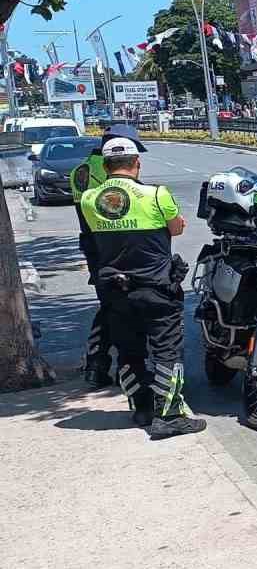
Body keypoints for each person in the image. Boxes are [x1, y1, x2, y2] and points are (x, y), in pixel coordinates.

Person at [78, 138, 204, 438]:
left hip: (114, 288)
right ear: (137, 164)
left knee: (128, 349)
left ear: (106, 166)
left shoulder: (88, 199)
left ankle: (142, 409)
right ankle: (169, 416)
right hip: (156, 285)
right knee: (166, 351)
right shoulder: (156, 194)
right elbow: (176, 227)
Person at [71, 123, 145, 387]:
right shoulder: (113, 172)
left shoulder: (80, 171)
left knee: (110, 305)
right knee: (122, 308)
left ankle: (96, 365)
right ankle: (118, 367)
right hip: (122, 247)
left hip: (96, 249)